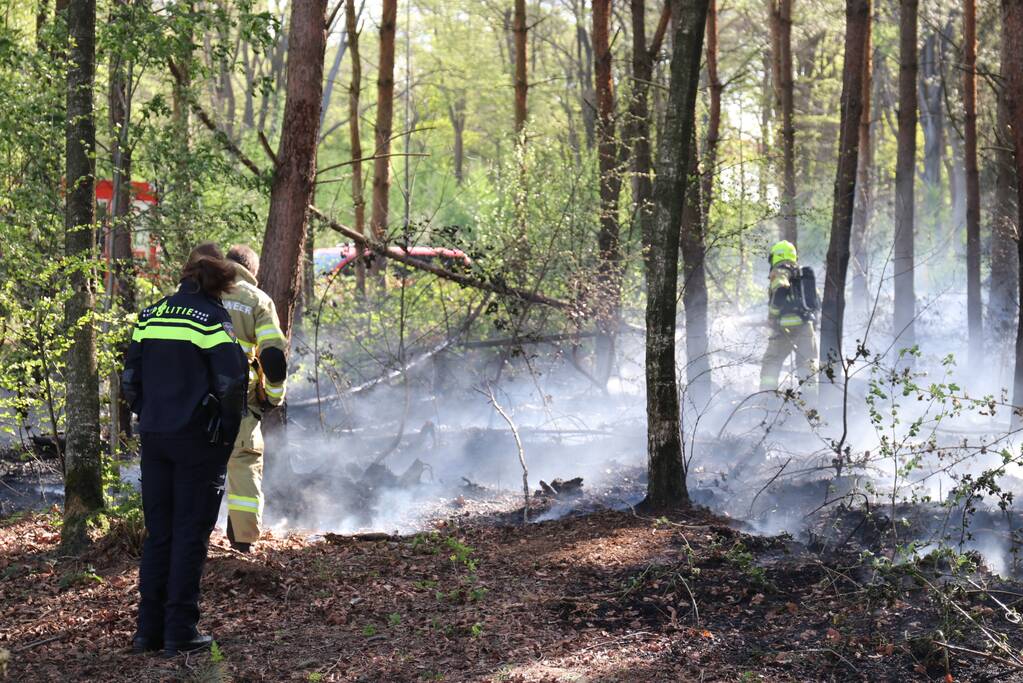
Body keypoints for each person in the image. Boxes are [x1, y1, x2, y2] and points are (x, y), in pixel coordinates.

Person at [122, 243, 248, 656]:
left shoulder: (150, 315)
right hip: (197, 442)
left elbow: (130, 381)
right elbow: (231, 384)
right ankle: (180, 631)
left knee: (160, 534)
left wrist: (150, 414)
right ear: (217, 284)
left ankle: (147, 632)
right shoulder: (213, 319)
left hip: (155, 437)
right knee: (190, 535)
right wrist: (225, 437)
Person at [220, 244, 287, 553]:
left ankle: (182, 540)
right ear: (252, 271)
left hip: (188, 401)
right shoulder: (257, 300)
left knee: (192, 468)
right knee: (243, 466)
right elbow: (273, 357)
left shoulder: (194, 290)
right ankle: (241, 545)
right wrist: (273, 398)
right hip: (237, 402)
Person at [759, 240, 818, 396]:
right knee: (808, 368)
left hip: (785, 328)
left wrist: (772, 315)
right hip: (806, 327)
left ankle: (766, 402)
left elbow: (781, 288)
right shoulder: (801, 274)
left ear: (776, 256)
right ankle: (812, 408)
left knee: (770, 364)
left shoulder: (779, 271)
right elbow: (816, 301)